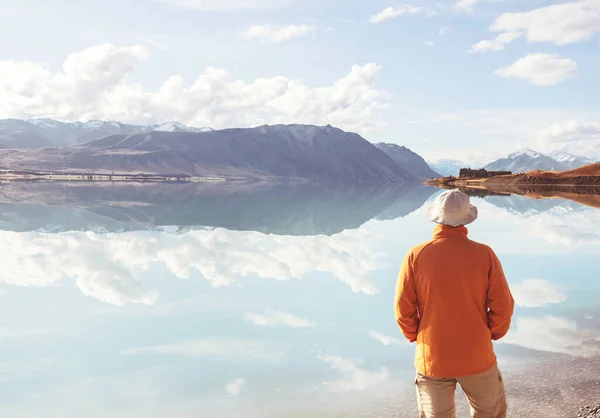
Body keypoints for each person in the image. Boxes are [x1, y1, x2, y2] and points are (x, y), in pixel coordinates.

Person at [394, 189, 515, 418]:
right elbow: (503, 306)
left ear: (436, 217)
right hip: (477, 356)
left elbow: (403, 309)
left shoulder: (416, 255)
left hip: (433, 358)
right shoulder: (484, 254)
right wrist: (491, 334)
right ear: (466, 218)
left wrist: (418, 337)